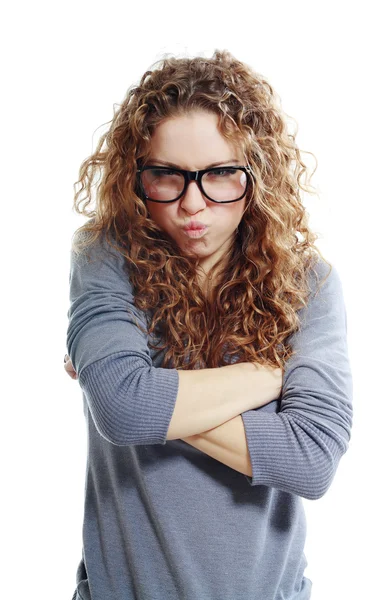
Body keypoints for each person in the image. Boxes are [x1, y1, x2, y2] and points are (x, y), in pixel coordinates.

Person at [64, 49, 353, 600]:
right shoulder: (106, 257)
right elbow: (122, 410)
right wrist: (267, 376)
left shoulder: (307, 283)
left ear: (258, 175)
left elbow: (313, 462)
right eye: (167, 176)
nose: (193, 203)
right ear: (136, 177)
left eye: (221, 174)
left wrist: (143, 396)